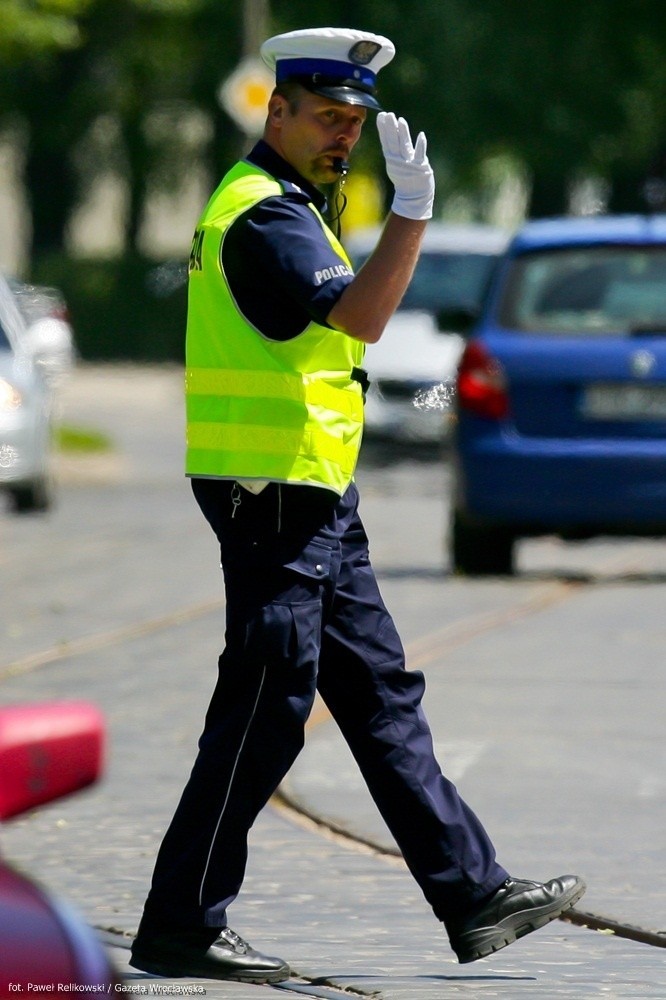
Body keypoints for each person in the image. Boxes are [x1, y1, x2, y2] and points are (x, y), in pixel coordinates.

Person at [130, 27, 586, 983]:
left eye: (355, 122)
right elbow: (364, 320)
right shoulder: (267, 219)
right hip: (271, 498)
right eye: (328, 118)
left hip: (315, 495)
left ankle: (474, 893)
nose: (344, 136)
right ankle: (180, 922)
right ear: (277, 111)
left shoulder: (295, 205)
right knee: (264, 712)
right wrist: (413, 217)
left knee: (380, 700)